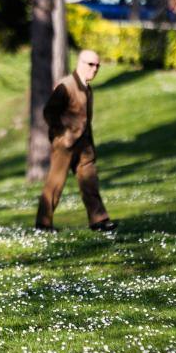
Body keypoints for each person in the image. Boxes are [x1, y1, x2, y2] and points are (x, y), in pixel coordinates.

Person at [35, 49, 117, 232]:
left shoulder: (87, 88)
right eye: (91, 64)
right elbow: (49, 112)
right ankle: (43, 224)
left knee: (90, 182)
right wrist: (63, 132)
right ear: (80, 63)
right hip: (65, 145)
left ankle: (99, 220)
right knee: (55, 184)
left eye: (98, 66)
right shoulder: (66, 86)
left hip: (84, 145)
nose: (95, 69)